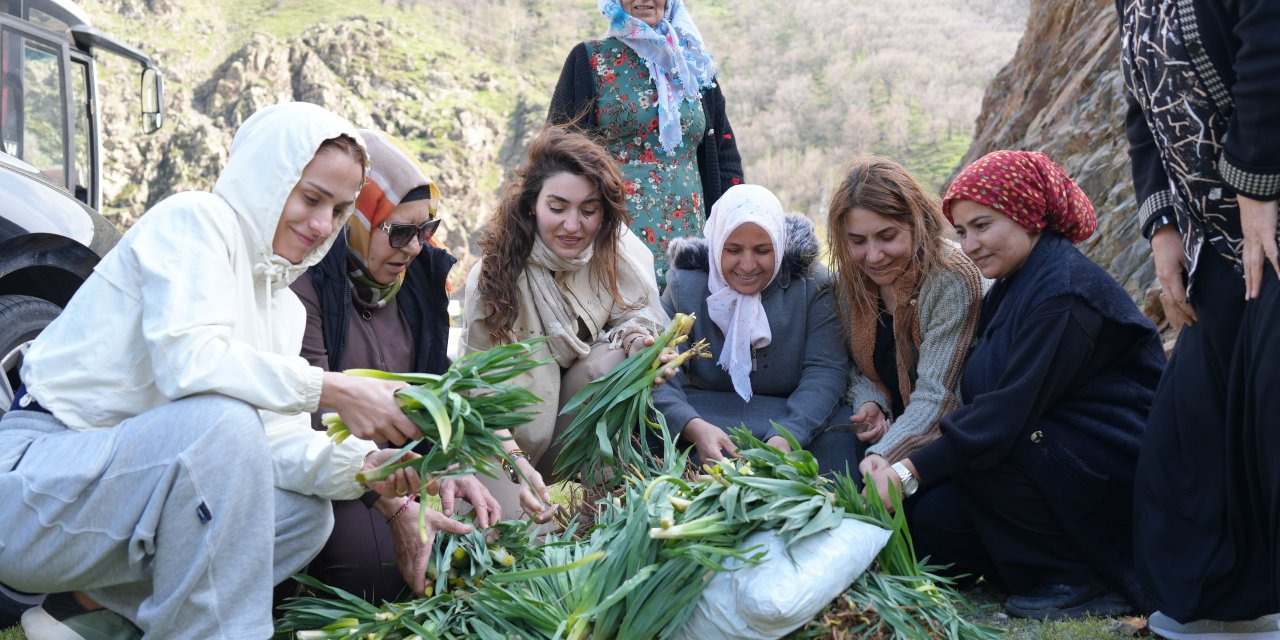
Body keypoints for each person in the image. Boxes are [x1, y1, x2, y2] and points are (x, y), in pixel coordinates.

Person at [0, 102, 471, 639]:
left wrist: (366, 466)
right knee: (222, 422)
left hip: (108, 505)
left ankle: (94, 617)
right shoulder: (194, 221)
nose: (321, 225)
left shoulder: (281, 304)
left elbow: (275, 445)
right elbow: (189, 362)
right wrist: (332, 390)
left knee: (301, 515)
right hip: (30, 487)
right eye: (310, 197)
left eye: (339, 210)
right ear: (268, 179)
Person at [865, 150, 1165, 620]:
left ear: (1027, 215)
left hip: (1107, 463)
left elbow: (1004, 415)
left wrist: (907, 472)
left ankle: (1082, 578)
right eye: (962, 232)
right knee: (928, 526)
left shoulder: (1063, 293)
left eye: (983, 226)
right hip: (1048, 456)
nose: (970, 244)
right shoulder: (1014, 281)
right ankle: (1026, 566)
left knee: (990, 443)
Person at [1120, 1, 1280, 637]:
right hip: (1218, 236)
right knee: (1189, 437)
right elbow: (1143, 103)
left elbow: (1269, 51)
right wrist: (1162, 227)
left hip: (1265, 217)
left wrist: (1259, 191)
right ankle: (1232, 606)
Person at [287, 129, 500, 604]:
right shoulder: (309, 286)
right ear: (358, 221)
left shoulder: (418, 284)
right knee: (373, 570)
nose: (416, 247)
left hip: (403, 466)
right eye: (399, 231)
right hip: (335, 467)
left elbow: (435, 388)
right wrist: (395, 501)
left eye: (427, 230)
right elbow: (315, 418)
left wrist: (448, 462)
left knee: (473, 540)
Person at [462, 126, 668, 517]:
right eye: (557, 208)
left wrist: (640, 342)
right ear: (530, 206)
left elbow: (636, 313)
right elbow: (478, 396)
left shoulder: (613, 253)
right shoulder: (493, 277)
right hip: (500, 441)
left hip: (564, 428)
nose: (573, 226)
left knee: (615, 357)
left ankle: (607, 477)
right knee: (515, 550)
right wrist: (515, 466)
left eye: (588, 210)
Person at [652, 184, 857, 473]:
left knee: (845, 434)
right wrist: (691, 426)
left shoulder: (814, 285)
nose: (747, 265)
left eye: (762, 250)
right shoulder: (685, 286)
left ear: (780, 243)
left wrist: (788, 435)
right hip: (709, 415)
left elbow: (825, 370)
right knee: (648, 429)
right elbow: (661, 371)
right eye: (733, 250)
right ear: (716, 243)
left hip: (791, 415)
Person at [548, 0, 744, 285]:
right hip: (614, 238)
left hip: (691, 242)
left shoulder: (694, 65)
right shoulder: (589, 59)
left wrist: (735, 230)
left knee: (685, 322)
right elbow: (555, 155)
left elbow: (724, 156)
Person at [825, 157, 984, 470]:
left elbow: (941, 394)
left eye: (887, 237)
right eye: (857, 240)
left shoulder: (951, 280)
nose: (873, 256)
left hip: (949, 440)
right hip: (892, 431)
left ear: (918, 223)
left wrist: (888, 452)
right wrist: (871, 400)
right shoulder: (850, 281)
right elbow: (850, 364)